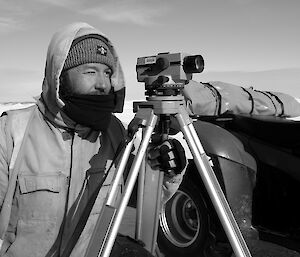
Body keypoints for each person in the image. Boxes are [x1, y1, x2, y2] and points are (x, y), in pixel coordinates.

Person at [0, 22, 186, 257]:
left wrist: (164, 172)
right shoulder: (11, 133)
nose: (102, 84)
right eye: (90, 71)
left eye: (107, 73)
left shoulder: (113, 132)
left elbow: (137, 201)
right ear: (59, 76)